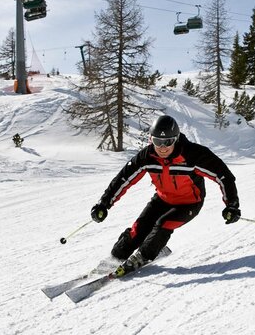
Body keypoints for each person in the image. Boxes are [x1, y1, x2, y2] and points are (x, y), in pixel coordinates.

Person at [90, 114, 240, 277]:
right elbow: (123, 179)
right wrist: (104, 204)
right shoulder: (147, 157)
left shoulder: (193, 155)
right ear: (151, 139)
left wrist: (231, 205)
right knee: (138, 229)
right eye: (157, 142)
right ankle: (115, 258)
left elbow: (224, 176)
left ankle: (144, 255)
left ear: (176, 139)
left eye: (168, 142)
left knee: (163, 224)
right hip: (163, 199)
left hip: (189, 203)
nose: (162, 147)